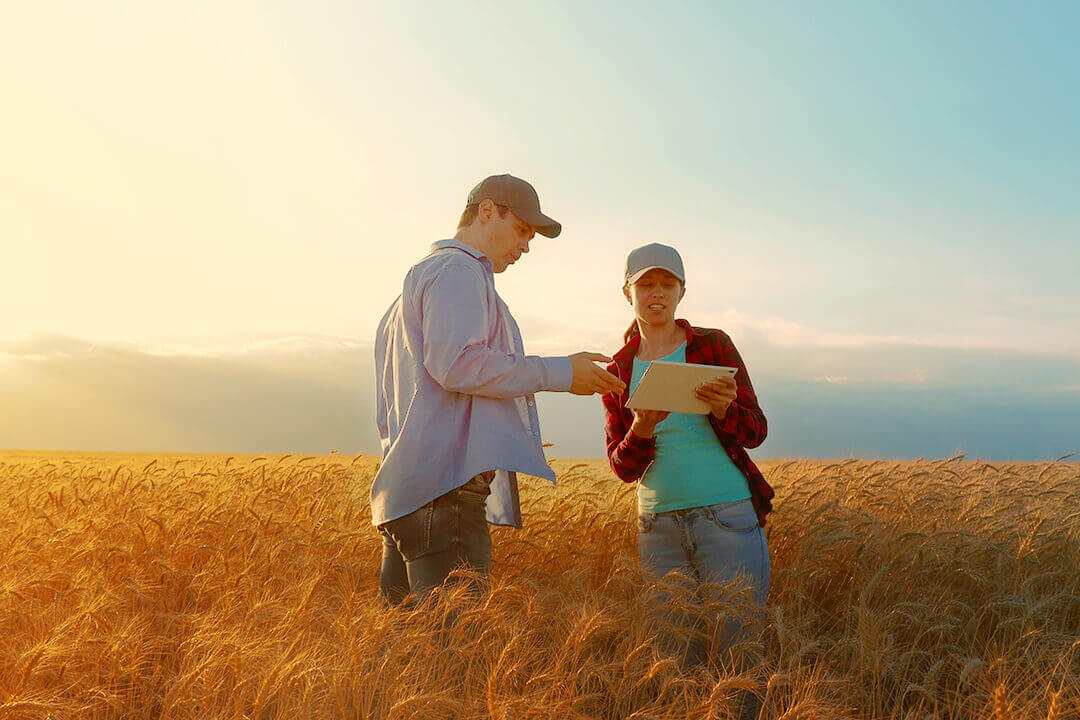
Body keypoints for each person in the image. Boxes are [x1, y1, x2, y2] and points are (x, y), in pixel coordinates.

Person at [373, 174, 626, 605]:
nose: (526, 245)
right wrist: (561, 373)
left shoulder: (417, 283)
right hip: (443, 491)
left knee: (411, 656)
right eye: (522, 229)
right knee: (455, 654)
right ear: (487, 211)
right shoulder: (459, 271)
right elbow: (457, 364)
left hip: (408, 493)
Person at [601, 243, 774, 715]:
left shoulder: (713, 345)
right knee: (677, 660)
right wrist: (643, 426)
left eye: (667, 284)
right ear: (627, 292)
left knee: (739, 655)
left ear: (681, 292)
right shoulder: (618, 368)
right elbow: (622, 467)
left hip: (729, 517)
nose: (656, 293)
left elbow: (755, 431)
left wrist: (723, 408)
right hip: (657, 526)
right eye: (646, 284)